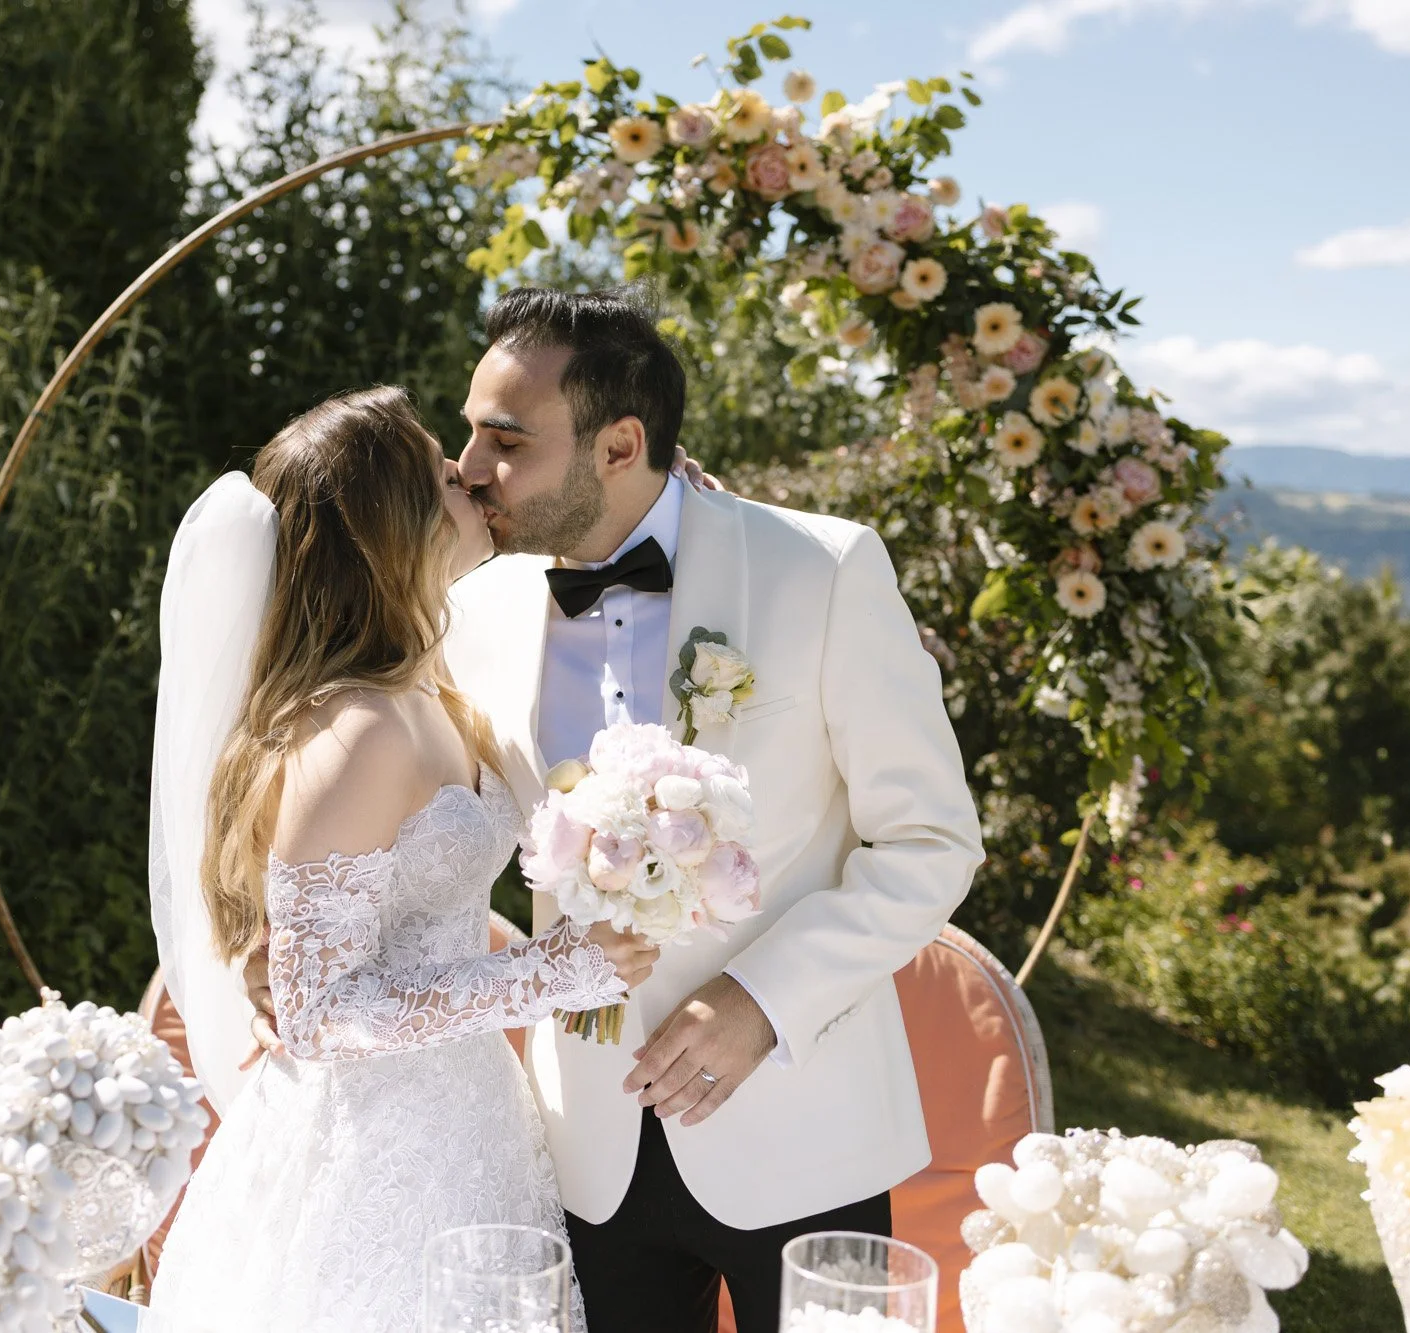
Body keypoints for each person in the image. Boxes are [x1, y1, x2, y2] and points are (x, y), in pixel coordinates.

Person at [238, 287, 986, 1333]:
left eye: (505, 439)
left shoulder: (818, 568)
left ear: (620, 444)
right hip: (574, 1148)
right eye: (466, 433)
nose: (467, 468)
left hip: (801, 1129)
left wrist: (760, 1002)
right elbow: (351, 786)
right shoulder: (467, 599)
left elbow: (928, 842)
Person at [145, 385, 658, 1333]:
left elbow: (412, 913)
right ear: (389, 521)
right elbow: (315, 1011)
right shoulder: (355, 733)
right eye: (437, 469)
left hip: (470, 1121)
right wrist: (545, 975)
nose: (468, 472)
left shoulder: (434, 681)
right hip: (369, 1157)